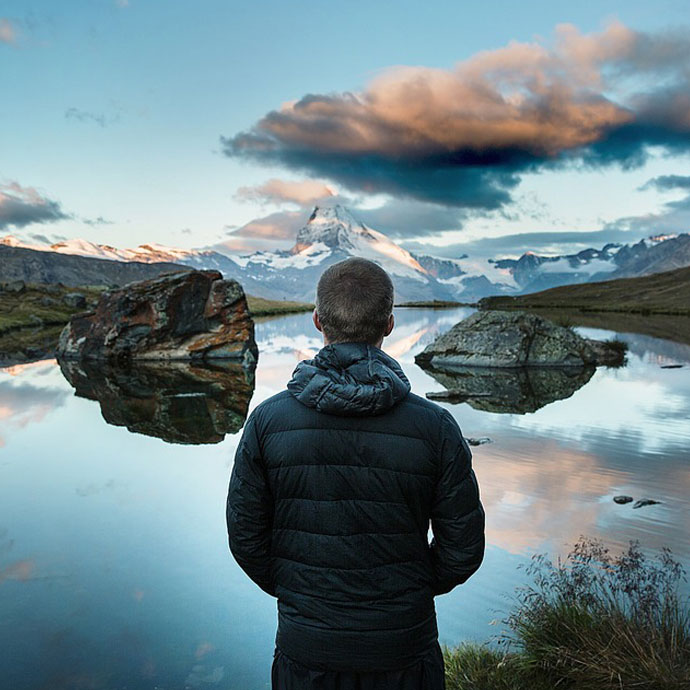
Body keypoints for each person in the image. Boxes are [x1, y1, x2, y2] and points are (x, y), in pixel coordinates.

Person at [227, 257, 485, 690]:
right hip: (405, 649)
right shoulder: (435, 427)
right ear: (389, 324)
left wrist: (300, 594)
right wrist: (411, 591)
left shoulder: (267, 422)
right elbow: (463, 549)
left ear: (316, 320)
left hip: (307, 652)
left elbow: (246, 539)